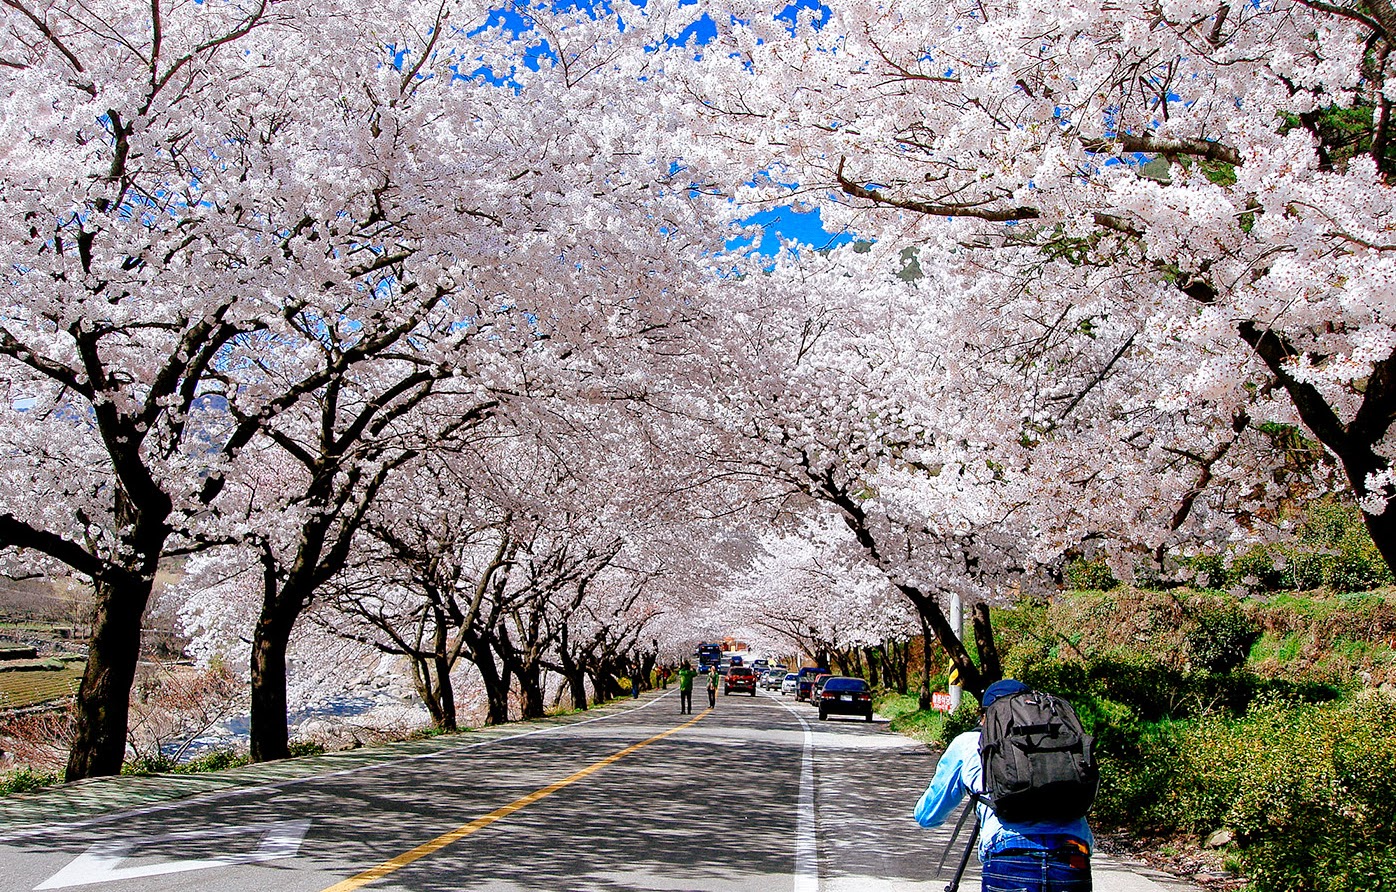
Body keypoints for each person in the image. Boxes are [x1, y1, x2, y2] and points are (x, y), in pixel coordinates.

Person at [914, 679, 1093, 892]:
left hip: (1009, 858)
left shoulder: (969, 744)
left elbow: (927, 815)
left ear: (985, 716)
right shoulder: (1056, 736)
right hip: (1073, 856)